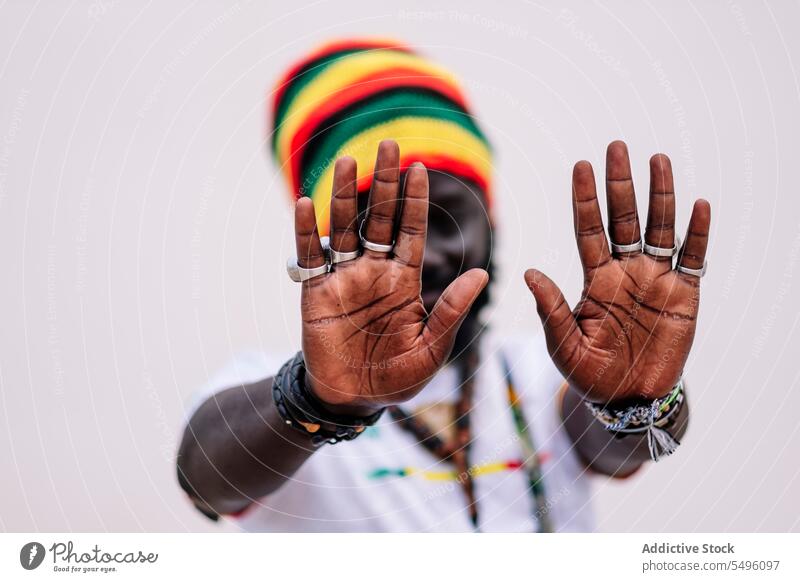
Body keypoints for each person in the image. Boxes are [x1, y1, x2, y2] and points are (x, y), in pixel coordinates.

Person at [177, 39, 710, 532]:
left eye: (448, 216)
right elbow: (206, 477)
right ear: (324, 246)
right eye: (378, 228)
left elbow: (614, 446)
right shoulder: (267, 389)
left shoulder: (533, 376)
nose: (424, 255)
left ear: (492, 224)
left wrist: (636, 400)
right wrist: (319, 402)